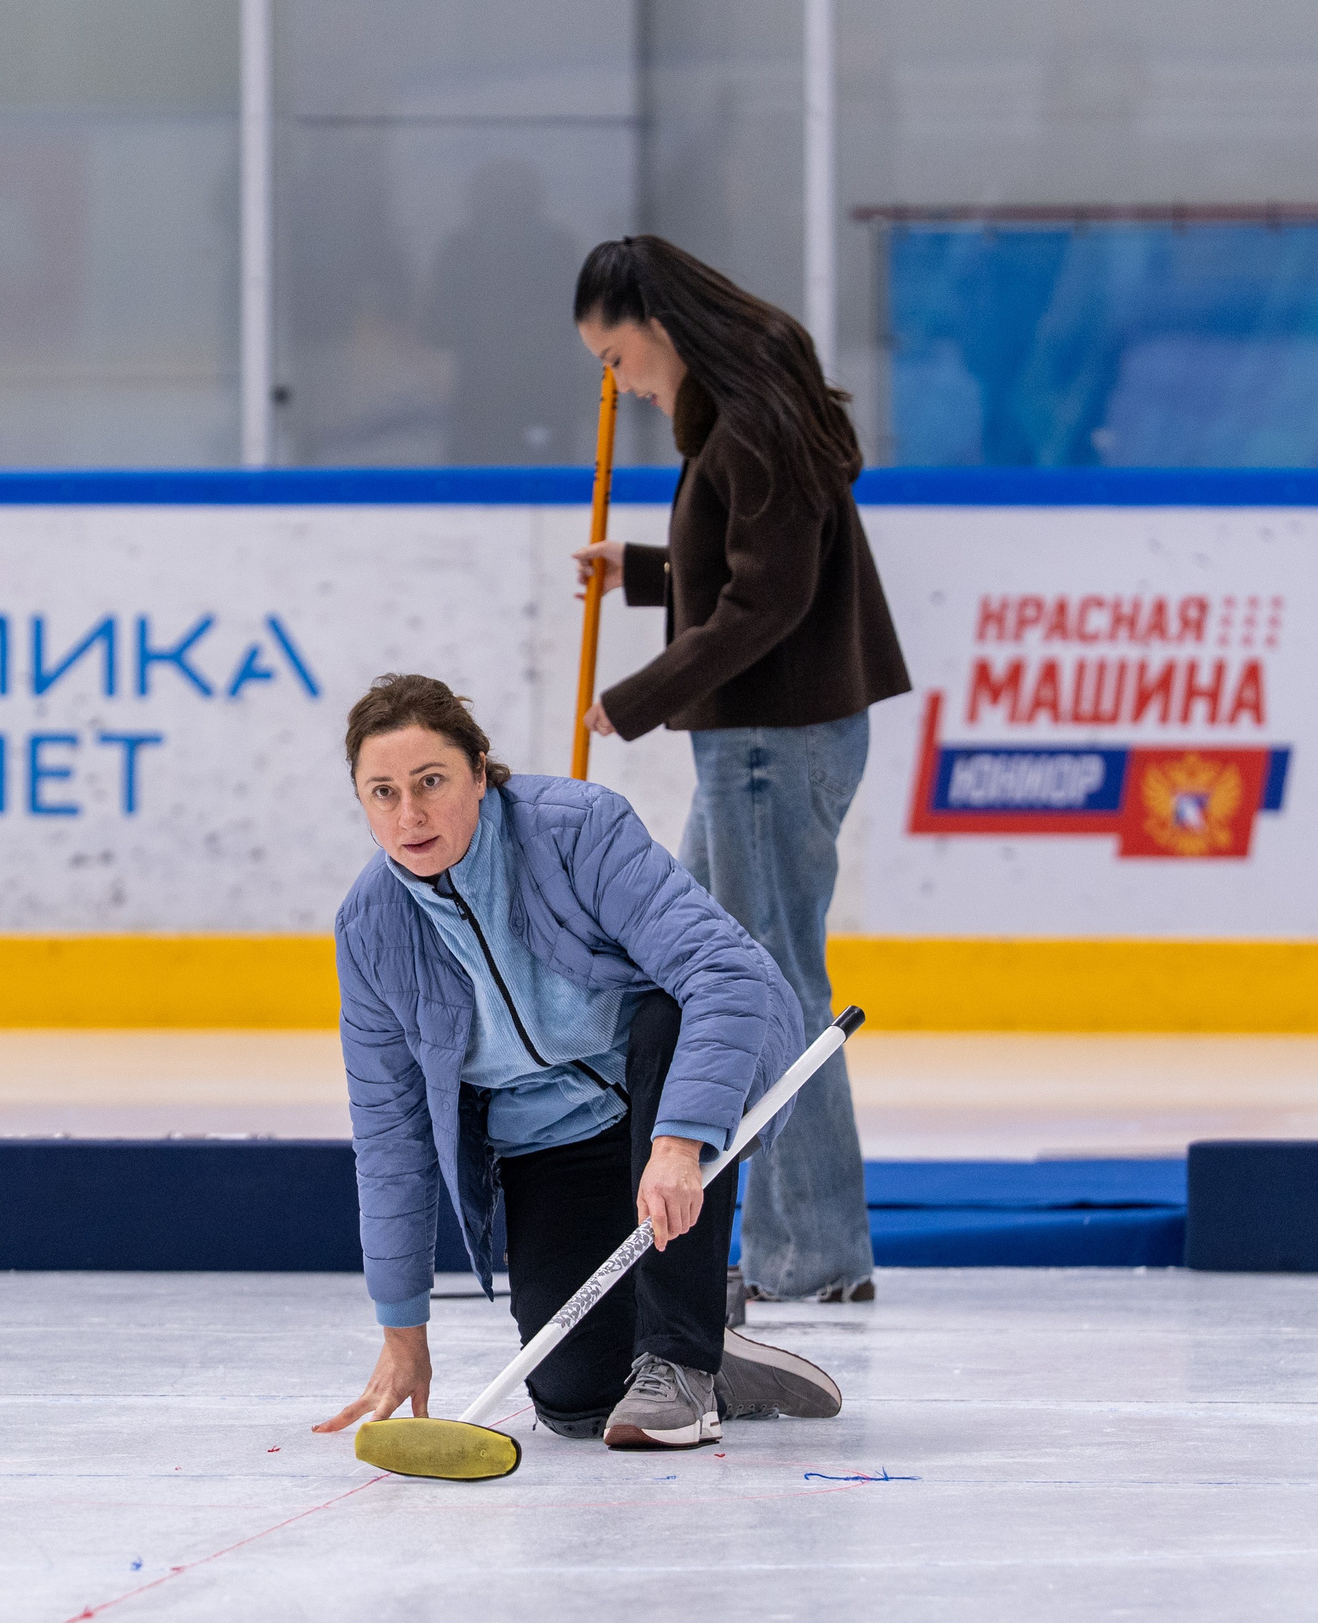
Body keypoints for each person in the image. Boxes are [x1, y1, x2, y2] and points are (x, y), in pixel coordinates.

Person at [313, 675, 842, 1451]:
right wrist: (403, 1331)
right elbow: (391, 1141)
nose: (410, 815)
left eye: (431, 782)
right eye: (382, 793)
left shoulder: (575, 829)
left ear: (481, 771)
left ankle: (681, 1361)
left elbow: (723, 974)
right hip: (548, 1141)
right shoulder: (369, 929)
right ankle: (716, 1357)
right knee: (575, 1399)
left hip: (665, 1089)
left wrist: (678, 1142)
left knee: (669, 1017)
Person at [571, 235, 911, 1305]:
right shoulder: (740, 412)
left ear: (659, 328)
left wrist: (636, 699)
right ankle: (777, 1246)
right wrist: (645, 572)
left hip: (770, 739)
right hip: (759, 738)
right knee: (714, 977)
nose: (616, 383)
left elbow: (769, 603)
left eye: (616, 355)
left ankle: (809, 1253)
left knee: (771, 991)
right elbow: (752, 568)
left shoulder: (754, 418)